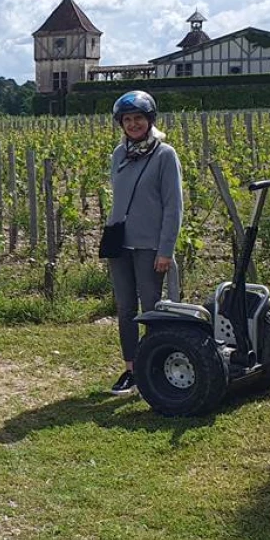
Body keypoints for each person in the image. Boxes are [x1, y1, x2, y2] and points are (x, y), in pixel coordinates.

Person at [105, 90, 183, 395]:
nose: (133, 124)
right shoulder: (119, 154)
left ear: (150, 120)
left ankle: (155, 367)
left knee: (151, 308)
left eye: (139, 118)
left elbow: (173, 207)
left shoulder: (165, 155)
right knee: (125, 308)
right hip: (120, 244)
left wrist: (166, 250)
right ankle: (131, 369)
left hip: (150, 246)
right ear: (121, 123)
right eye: (128, 119)